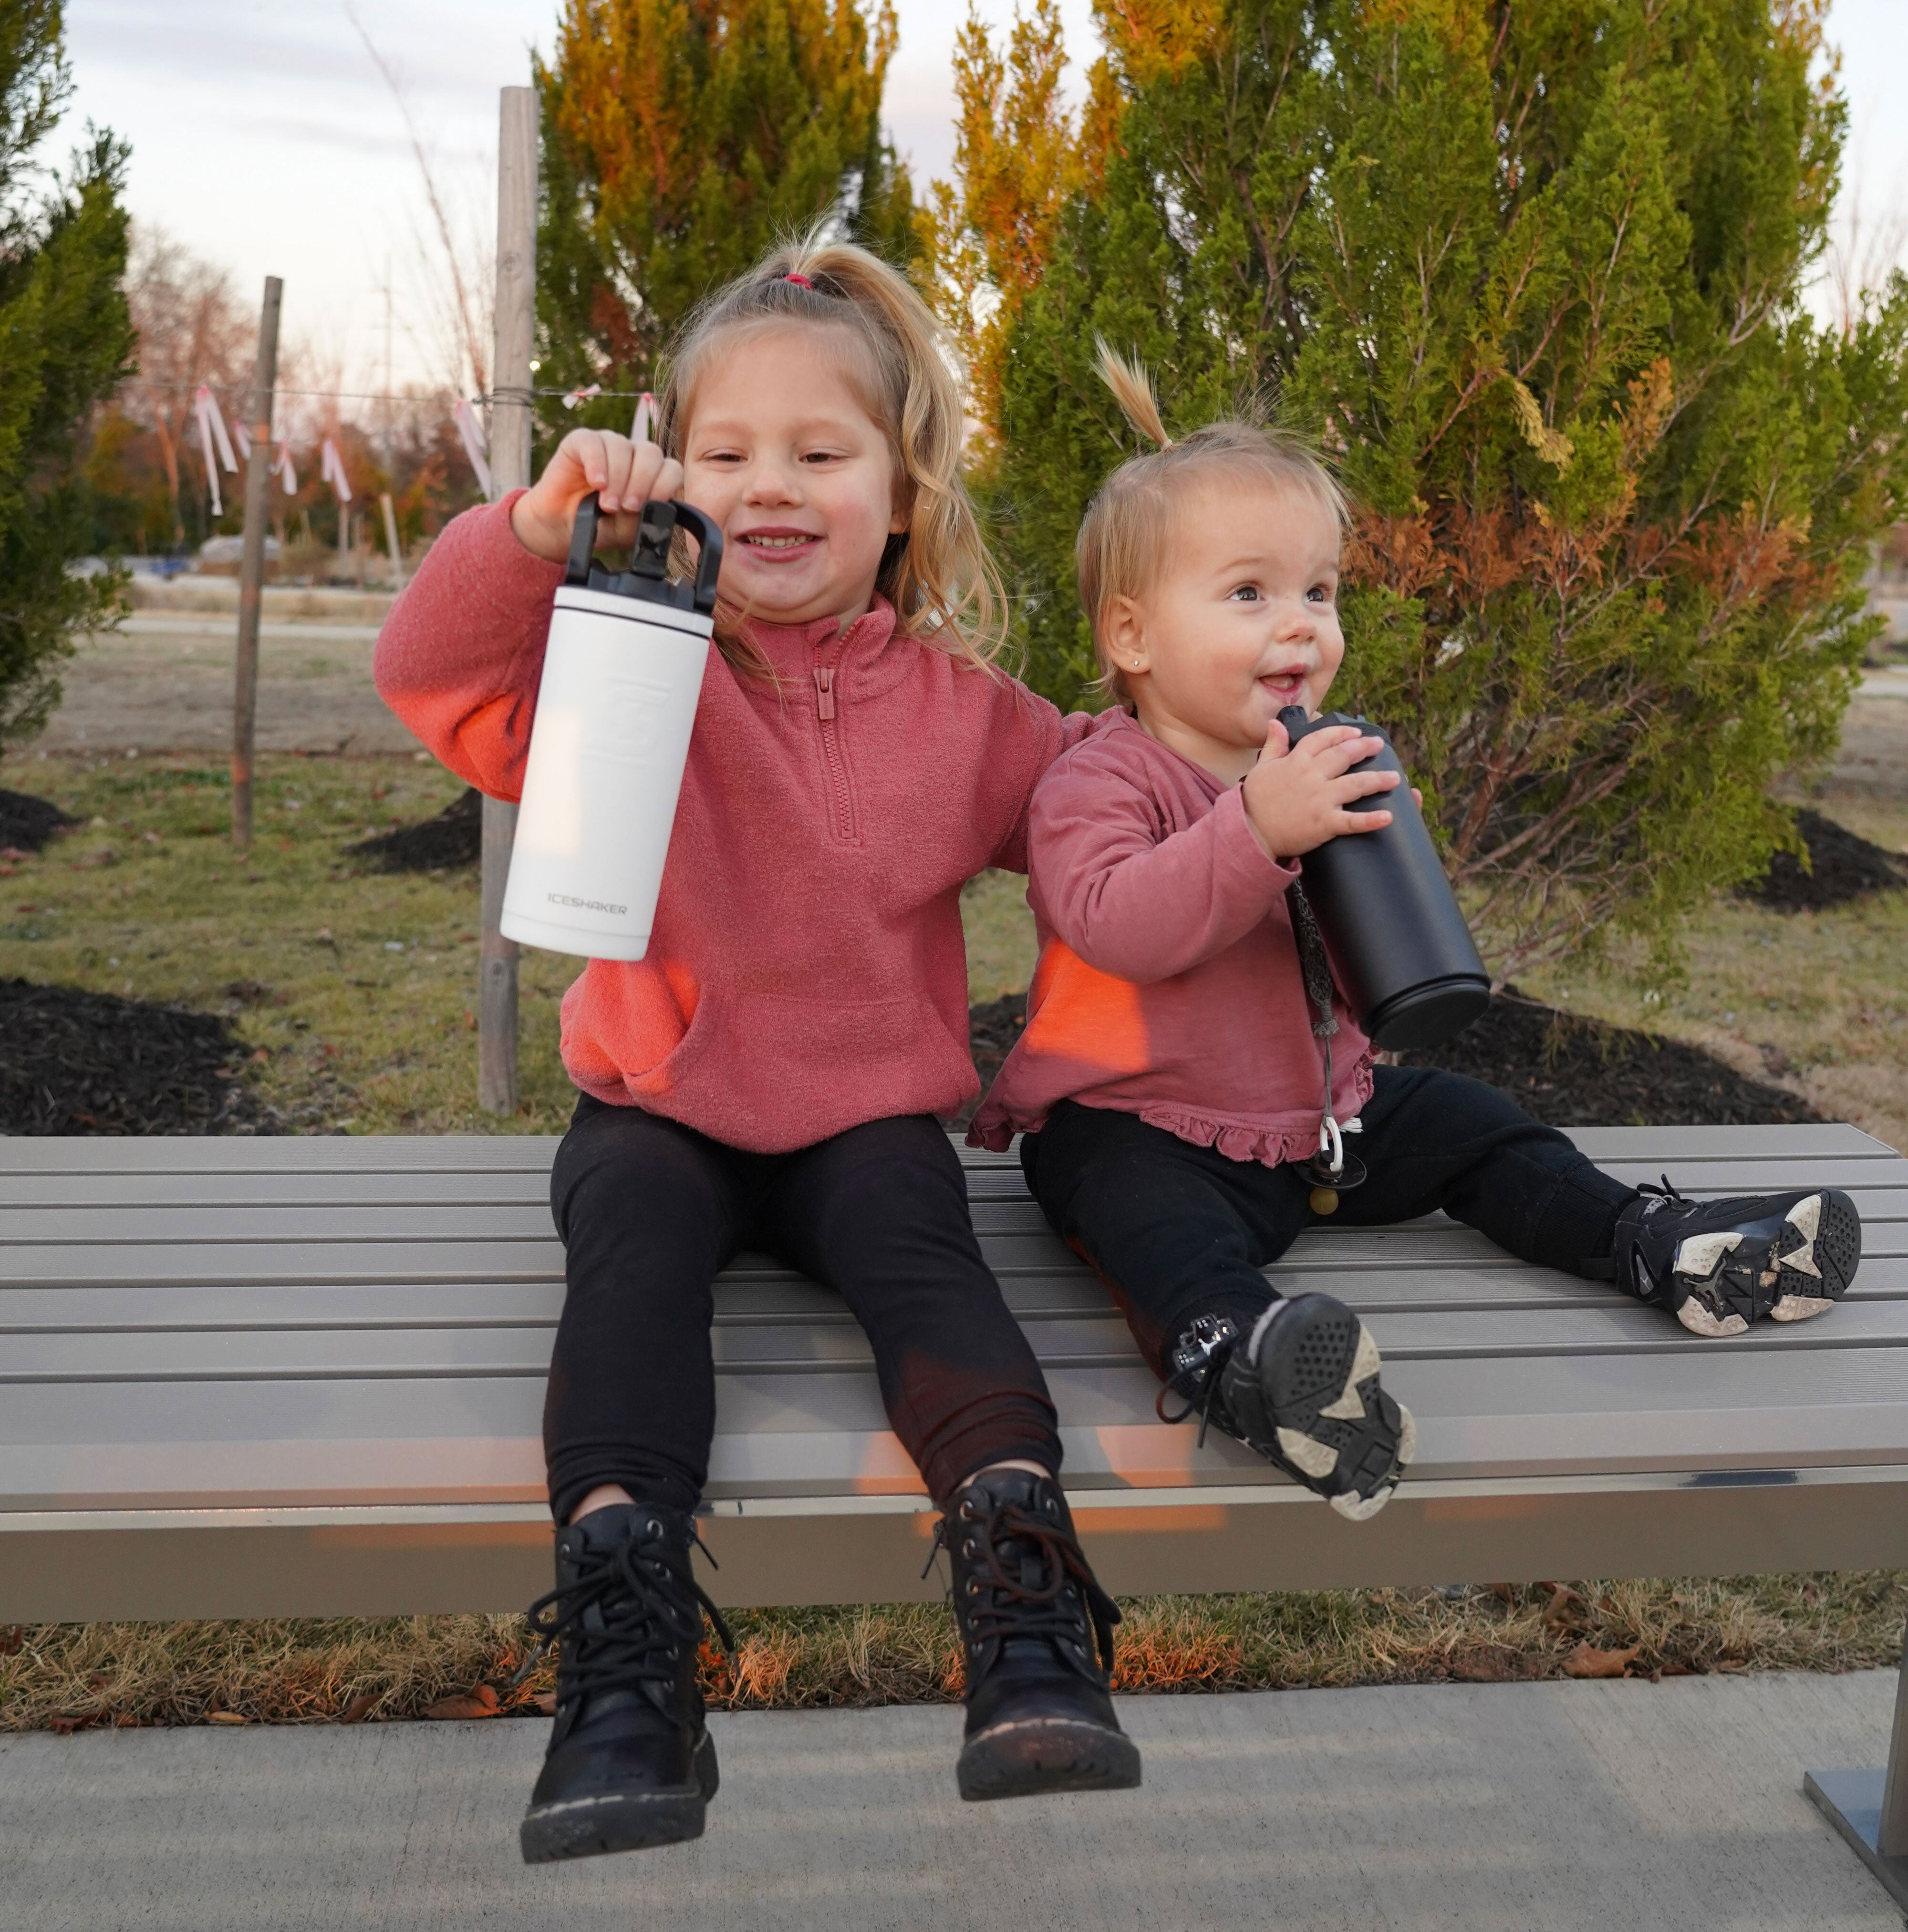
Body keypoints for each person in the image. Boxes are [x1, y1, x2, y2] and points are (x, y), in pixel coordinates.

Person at [375, 238, 1139, 1864]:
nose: (770, 486)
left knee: (929, 1258)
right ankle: (627, 1670)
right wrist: (528, 528)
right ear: (672, 470)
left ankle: (1023, 1619)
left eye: (821, 452)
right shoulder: (620, 668)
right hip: (661, 1106)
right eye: (725, 454)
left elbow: (1109, 852)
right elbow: (428, 673)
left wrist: (1240, 788)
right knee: (631, 1261)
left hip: (867, 1121)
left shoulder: (972, 713)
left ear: (905, 487)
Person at [971, 344, 1864, 1522]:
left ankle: (1656, 1244)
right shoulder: (1102, 779)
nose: (1298, 625)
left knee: (1471, 1122)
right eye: (1248, 593)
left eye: (1319, 591)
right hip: (1143, 1123)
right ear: (1132, 636)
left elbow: (1336, 981)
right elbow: (1116, 923)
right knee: (1143, 1217)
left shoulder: (1314, 770)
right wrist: (1255, 830)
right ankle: (1249, 1364)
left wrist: (1380, 879)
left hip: (1317, 1125)